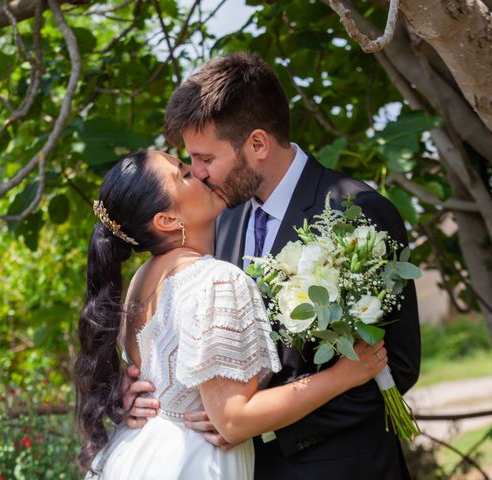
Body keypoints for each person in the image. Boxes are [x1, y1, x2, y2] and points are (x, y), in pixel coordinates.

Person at [123, 53, 421, 479]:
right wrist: (143, 392)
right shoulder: (220, 218)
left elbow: (398, 365)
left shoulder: (357, 213)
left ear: (258, 144)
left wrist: (262, 426)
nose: (200, 173)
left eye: (206, 158)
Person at [74, 149, 388, 479]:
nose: (199, 172)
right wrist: (343, 376)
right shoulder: (217, 279)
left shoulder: (144, 277)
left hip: (144, 453)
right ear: (167, 220)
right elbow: (234, 421)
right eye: (183, 174)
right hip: (192, 464)